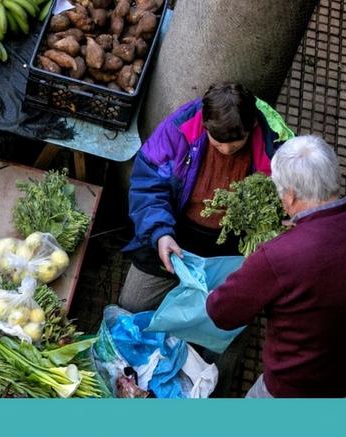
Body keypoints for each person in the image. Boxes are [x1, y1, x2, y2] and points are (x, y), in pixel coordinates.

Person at [206, 135, 346, 398]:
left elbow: (221, 312)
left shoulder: (276, 256)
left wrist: (255, 266)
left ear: (290, 195)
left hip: (294, 390)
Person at [118, 82, 292, 312]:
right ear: (205, 125)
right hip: (175, 228)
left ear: (251, 127)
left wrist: (282, 223)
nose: (227, 151)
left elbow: (292, 202)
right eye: (218, 144)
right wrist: (160, 233)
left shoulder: (275, 149)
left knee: (223, 317)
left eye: (236, 145)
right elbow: (148, 184)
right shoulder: (180, 129)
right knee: (133, 304)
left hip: (231, 246)